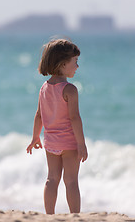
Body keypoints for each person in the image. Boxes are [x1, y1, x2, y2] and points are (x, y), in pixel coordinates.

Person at [26, 38, 88, 214]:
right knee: (71, 181)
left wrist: (35, 137)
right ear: (62, 64)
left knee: (51, 179)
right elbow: (75, 118)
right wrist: (81, 143)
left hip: (51, 142)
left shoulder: (44, 88)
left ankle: (49, 215)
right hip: (69, 143)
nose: (77, 66)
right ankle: (75, 216)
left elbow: (39, 116)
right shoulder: (70, 90)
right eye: (75, 62)